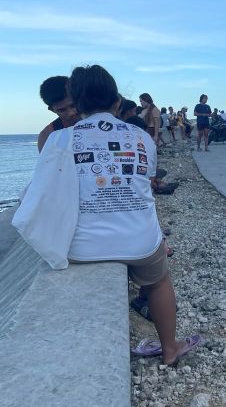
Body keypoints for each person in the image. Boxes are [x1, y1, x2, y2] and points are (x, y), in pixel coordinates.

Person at [62, 65, 199, 365]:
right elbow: (146, 182)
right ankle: (170, 348)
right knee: (158, 281)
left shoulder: (61, 139)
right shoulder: (141, 137)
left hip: (82, 247)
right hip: (140, 242)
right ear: (116, 102)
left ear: (76, 106)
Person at [37, 75, 80, 151]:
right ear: (52, 110)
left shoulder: (101, 119)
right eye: (62, 110)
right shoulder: (47, 136)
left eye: (73, 105)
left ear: (81, 99)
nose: (71, 113)